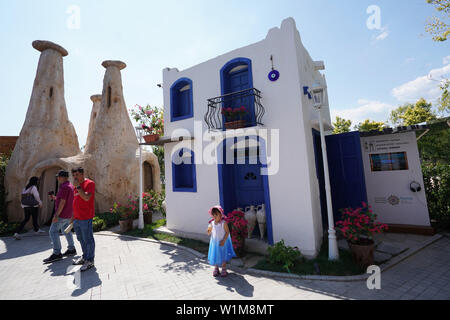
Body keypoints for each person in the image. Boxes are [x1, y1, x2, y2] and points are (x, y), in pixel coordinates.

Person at [43, 170, 77, 264]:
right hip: (68, 214)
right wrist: (54, 197)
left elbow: (63, 202)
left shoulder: (65, 187)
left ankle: (57, 253)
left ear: (63, 177)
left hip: (61, 215)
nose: (57, 178)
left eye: (58, 177)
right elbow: (64, 200)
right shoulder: (70, 186)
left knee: (52, 231)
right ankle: (71, 249)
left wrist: (56, 215)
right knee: (66, 231)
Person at [71, 167, 96, 272]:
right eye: (73, 175)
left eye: (77, 175)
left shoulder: (89, 183)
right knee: (81, 239)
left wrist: (78, 187)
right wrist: (72, 217)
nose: (75, 177)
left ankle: (90, 261)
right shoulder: (75, 187)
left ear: (82, 174)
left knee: (88, 239)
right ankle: (85, 257)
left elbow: (86, 198)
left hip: (86, 217)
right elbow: (75, 201)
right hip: (77, 218)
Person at [207, 205, 236, 277]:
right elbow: (209, 233)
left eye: (216, 215)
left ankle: (223, 269)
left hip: (222, 243)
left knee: (223, 255)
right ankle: (216, 268)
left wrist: (224, 240)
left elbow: (227, 232)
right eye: (213, 215)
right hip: (214, 243)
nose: (214, 216)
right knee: (216, 255)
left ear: (221, 215)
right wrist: (209, 230)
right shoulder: (212, 223)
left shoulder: (223, 223)